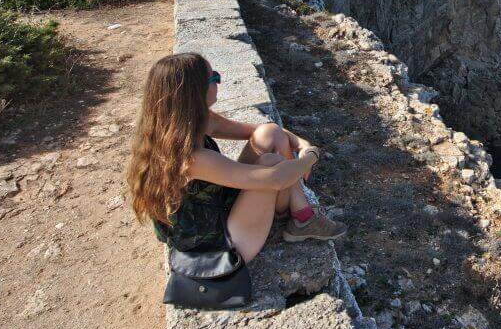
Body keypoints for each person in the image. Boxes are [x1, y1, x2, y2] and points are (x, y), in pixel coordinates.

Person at [127, 53, 346, 262]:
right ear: (195, 92)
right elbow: (275, 178)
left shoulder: (190, 122)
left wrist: (300, 143)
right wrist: (311, 156)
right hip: (221, 246)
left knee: (269, 132)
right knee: (273, 164)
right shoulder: (192, 159)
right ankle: (303, 217)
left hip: (217, 209)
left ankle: (301, 215)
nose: (219, 82)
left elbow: (261, 130)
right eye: (214, 78)